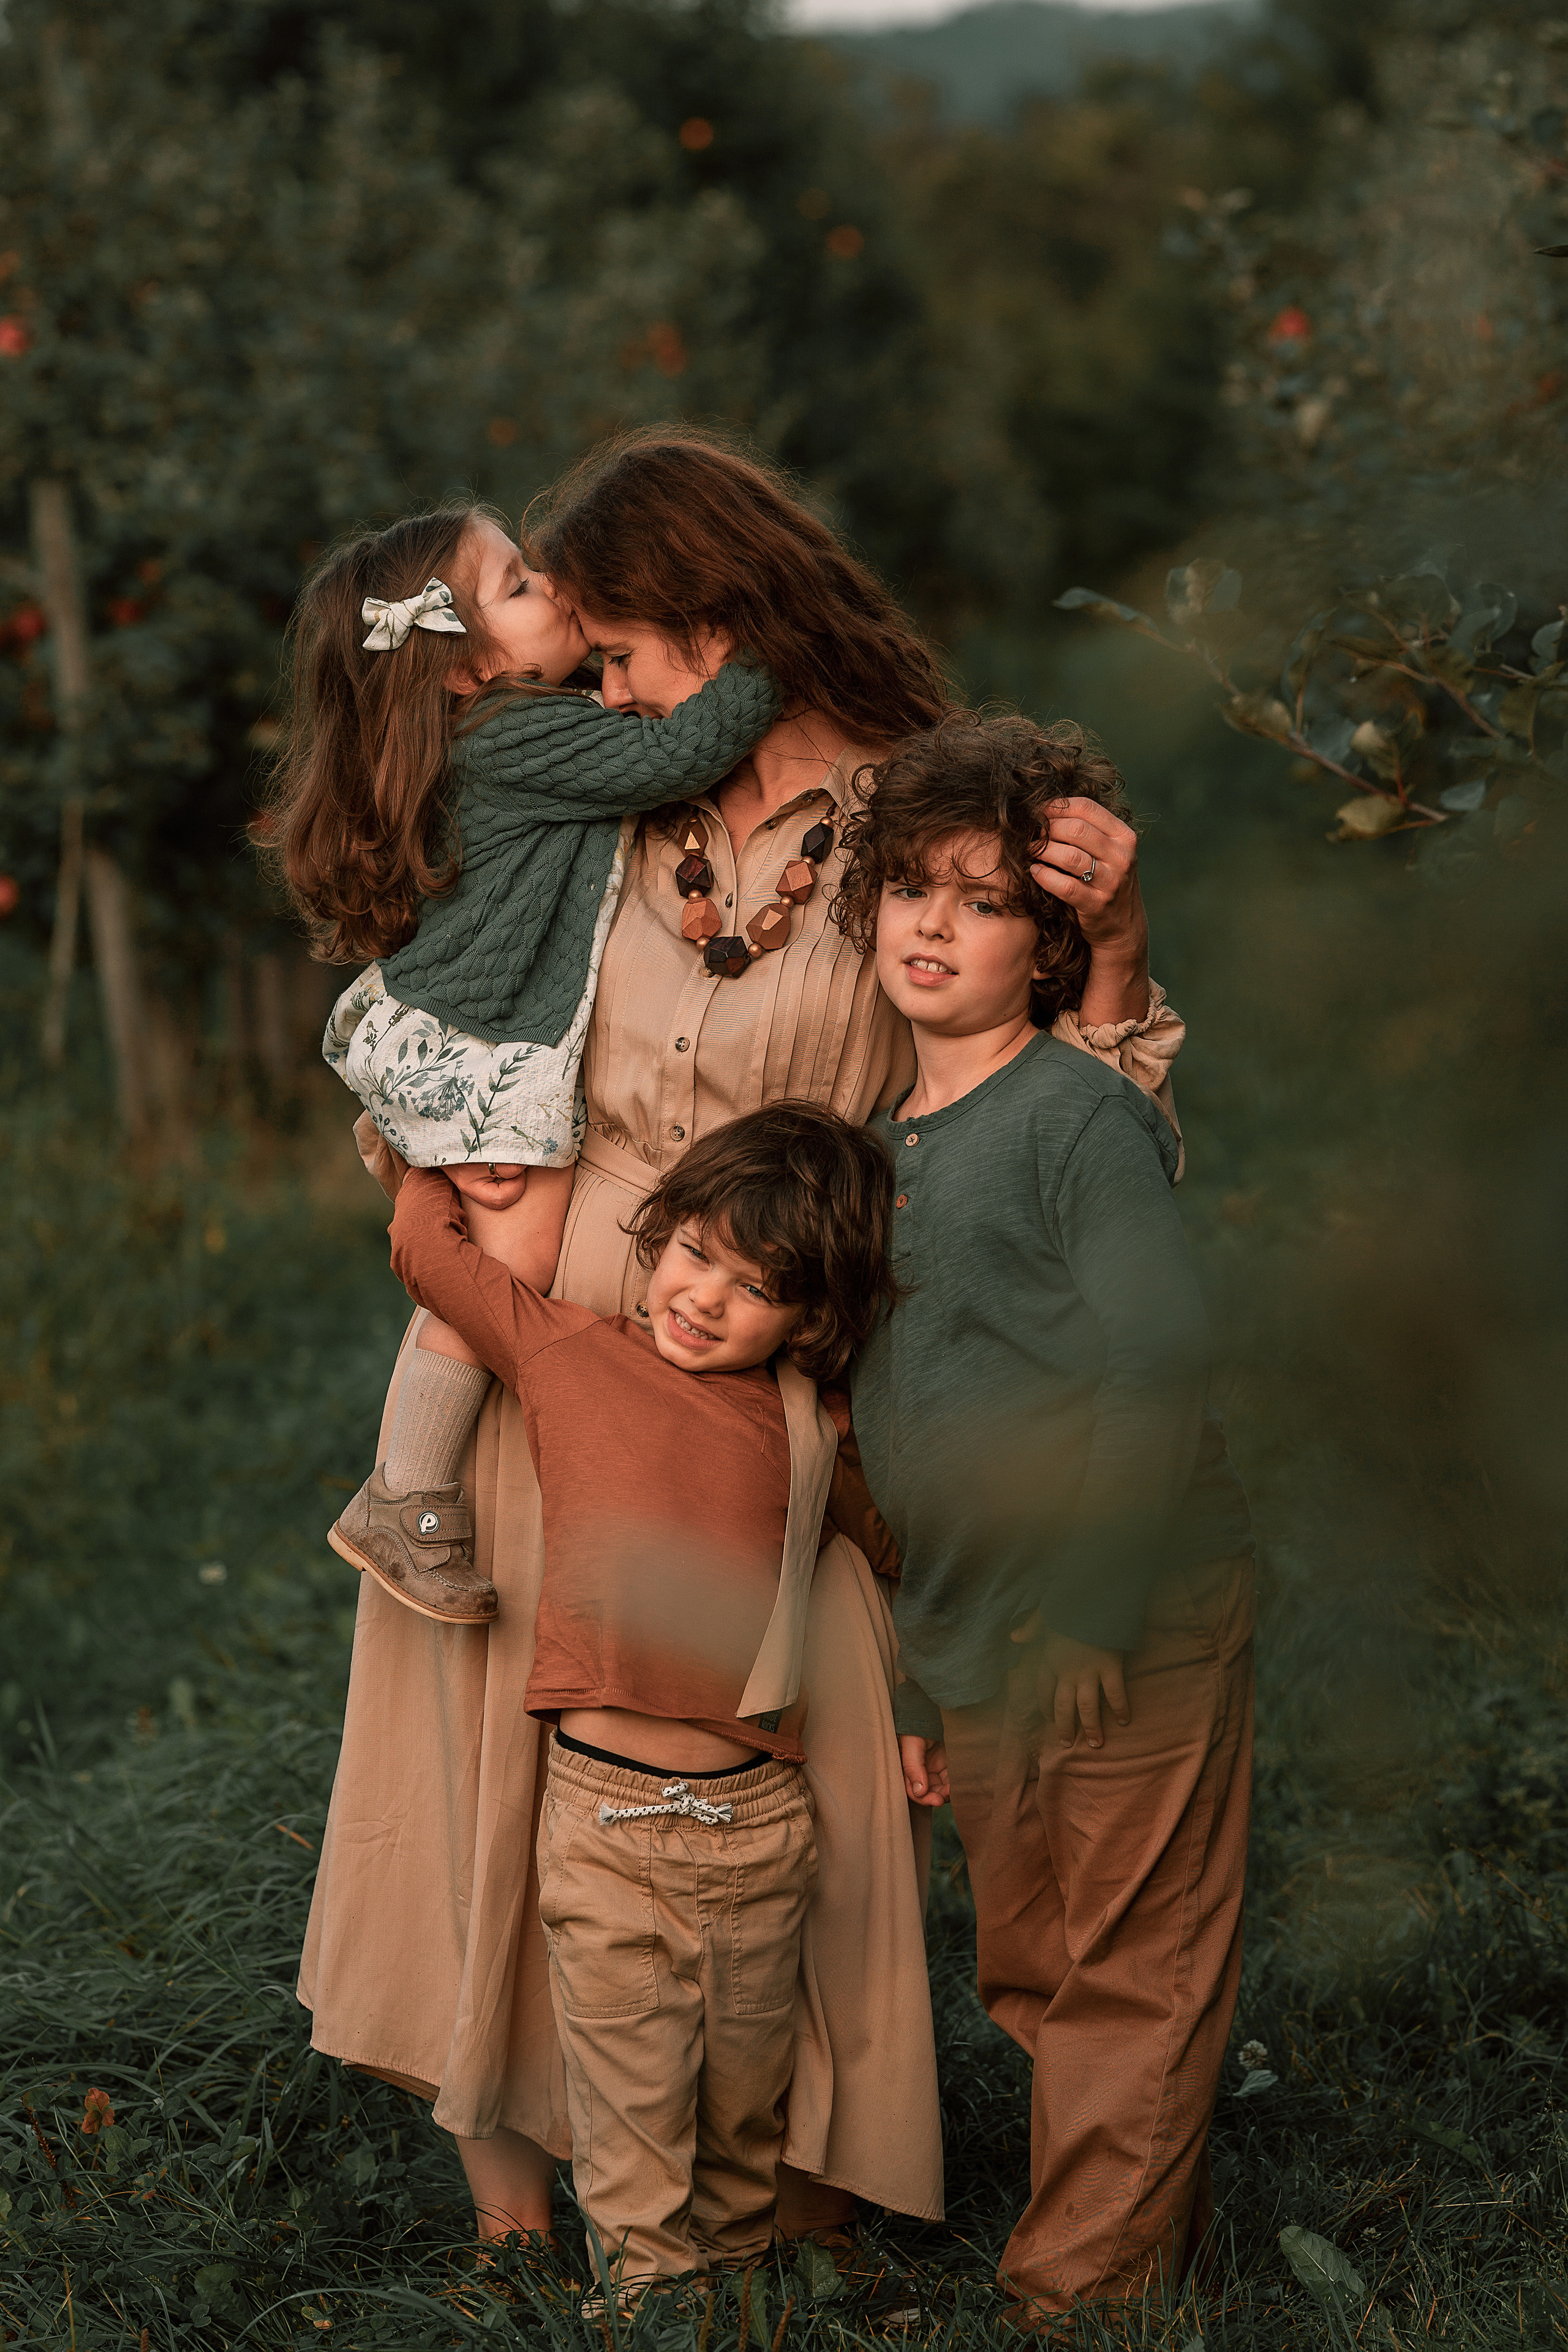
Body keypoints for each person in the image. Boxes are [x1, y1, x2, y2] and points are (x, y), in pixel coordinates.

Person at [297, 429, 1186, 2251]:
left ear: (716, 623)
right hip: (541, 1357)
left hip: (770, 1401)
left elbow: (1058, 1114)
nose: (592, 676)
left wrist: (1117, 954)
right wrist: (419, 1162)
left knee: (800, 1787)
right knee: (501, 1783)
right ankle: (526, 2201)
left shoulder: (916, 827)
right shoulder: (584, 797)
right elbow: (453, 1005)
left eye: (619, 647)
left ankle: (784, 2175)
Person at [834, 710, 1256, 2328]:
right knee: (1035, 1965)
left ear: (1050, 944)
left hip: (1125, 1605)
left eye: (986, 899)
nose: (936, 926)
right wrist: (935, 1677)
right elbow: (905, 1422)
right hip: (985, 1628)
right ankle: (1149, 2244)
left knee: (1128, 1976)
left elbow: (1159, 1359)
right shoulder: (889, 1153)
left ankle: (1074, 2303)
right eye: (913, 891)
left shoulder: (1076, 1115)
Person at [385, 1104, 898, 2293]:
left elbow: (888, 1551)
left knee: (737, 2128)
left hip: (761, 1836)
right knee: (631, 2128)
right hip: (605, 1827)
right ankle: (648, 2308)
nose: (704, 1296)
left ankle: (730, 2297)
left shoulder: (806, 1422)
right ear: (655, 1236)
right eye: (693, 1252)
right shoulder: (572, 1353)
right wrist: (426, 1146)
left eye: (753, 1284)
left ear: (811, 1319)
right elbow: (429, 1257)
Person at [266, 503, 777, 1623]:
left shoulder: (505, 732)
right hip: (479, 1040)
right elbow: (682, 751)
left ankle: (414, 1487)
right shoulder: (512, 739)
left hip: (454, 1028)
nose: (553, 587)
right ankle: (406, 1490)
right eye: (516, 584)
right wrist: (775, 654)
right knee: (516, 1255)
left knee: (503, 1250)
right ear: (466, 670)